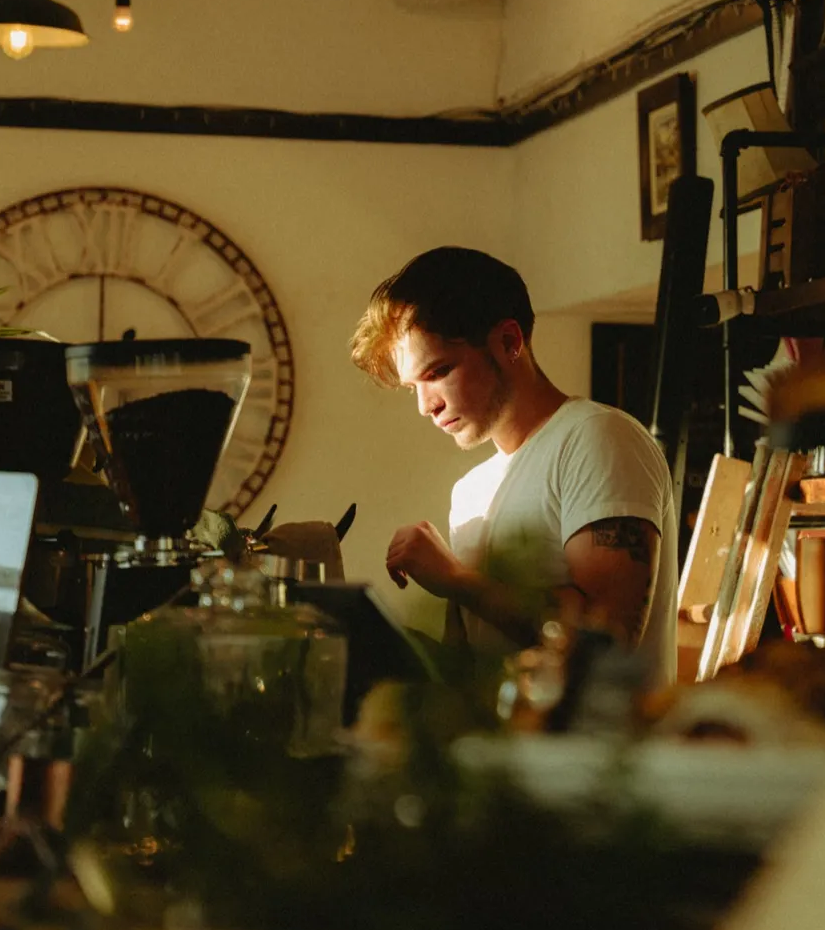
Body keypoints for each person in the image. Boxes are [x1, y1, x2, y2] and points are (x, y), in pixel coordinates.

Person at [276, 247, 678, 688]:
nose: (426, 406)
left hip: (601, 755)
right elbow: (473, 667)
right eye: (414, 387)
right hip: (500, 752)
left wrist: (457, 580)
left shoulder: (597, 437)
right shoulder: (471, 491)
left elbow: (611, 638)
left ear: (509, 342)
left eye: (439, 372)